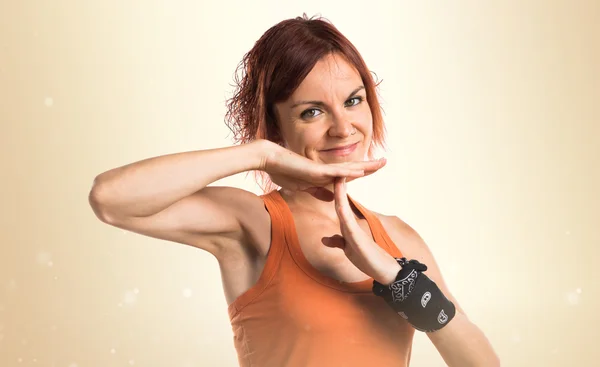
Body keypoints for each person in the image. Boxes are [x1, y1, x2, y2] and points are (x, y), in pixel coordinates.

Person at [88, 14, 499, 367]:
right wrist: (260, 155)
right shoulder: (253, 223)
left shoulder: (399, 238)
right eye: (312, 112)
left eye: (353, 101)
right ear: (276, 125)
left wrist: (394, 276)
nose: (342, 127)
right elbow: (111, 199)